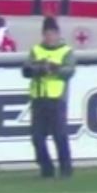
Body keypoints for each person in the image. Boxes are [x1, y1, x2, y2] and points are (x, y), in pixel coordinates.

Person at [22, 17, 76, 178]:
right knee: (37, 137)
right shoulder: (36, 50)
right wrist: (39, 67)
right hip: (38, 97)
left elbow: (69, 71)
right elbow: (26, 70)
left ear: (58, 34)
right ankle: (46, 167)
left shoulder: (66, 51)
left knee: (60, 135)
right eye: (47, 34)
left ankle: (65, 168)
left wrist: (54, 68)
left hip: (57, 98)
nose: (50, 37)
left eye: (52, 33)